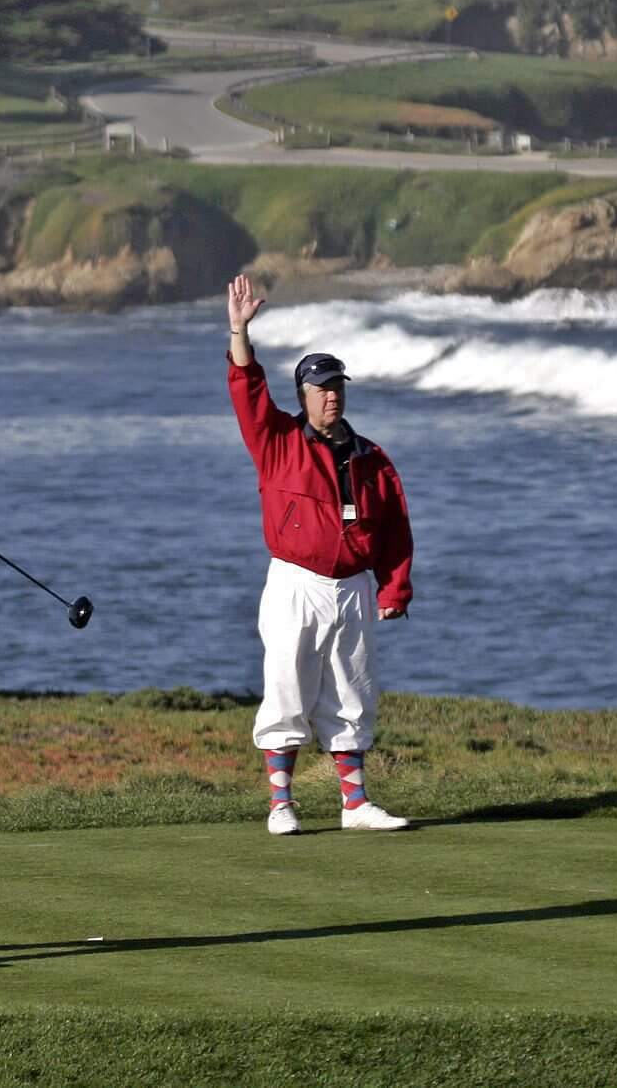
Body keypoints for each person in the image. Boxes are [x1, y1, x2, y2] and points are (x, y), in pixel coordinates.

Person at [225, 274, 415, 834]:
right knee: (286, 687)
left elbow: (396, 526)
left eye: (338, 387)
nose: (332, 396)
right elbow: (246, 388)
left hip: (353, 585)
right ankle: (280, 803)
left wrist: (395, 586)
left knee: (353, 693)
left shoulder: (371, 457)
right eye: (321, 388)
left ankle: (354, 803)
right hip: (295, 583)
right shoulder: (277, 442)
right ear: (303, 395)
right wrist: (239, 330)